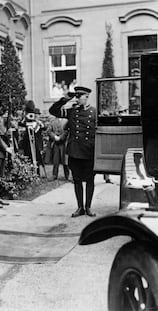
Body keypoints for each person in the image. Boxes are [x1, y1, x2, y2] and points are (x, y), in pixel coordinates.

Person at [49, 86, 97, 217]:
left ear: (86, 97)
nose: (77, 98)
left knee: (90, 180)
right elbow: (53, 110)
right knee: (77, 180)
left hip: (89, 151)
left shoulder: (94, 112)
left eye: (79, 96)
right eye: (76, 96)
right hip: (75, 151)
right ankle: (80, 207)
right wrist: (64, 99)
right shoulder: (72, 112)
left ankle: (88, 207)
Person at [47, 115, 70, 180]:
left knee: (65, 160)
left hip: (64, 143)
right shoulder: (53, 121)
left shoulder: (66, 121)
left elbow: (67, 131)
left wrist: (61, 137)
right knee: (55, 160)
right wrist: (54, 136)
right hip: (55, 143)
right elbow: (49, 131)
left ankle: (67, 175)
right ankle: (54, 175)